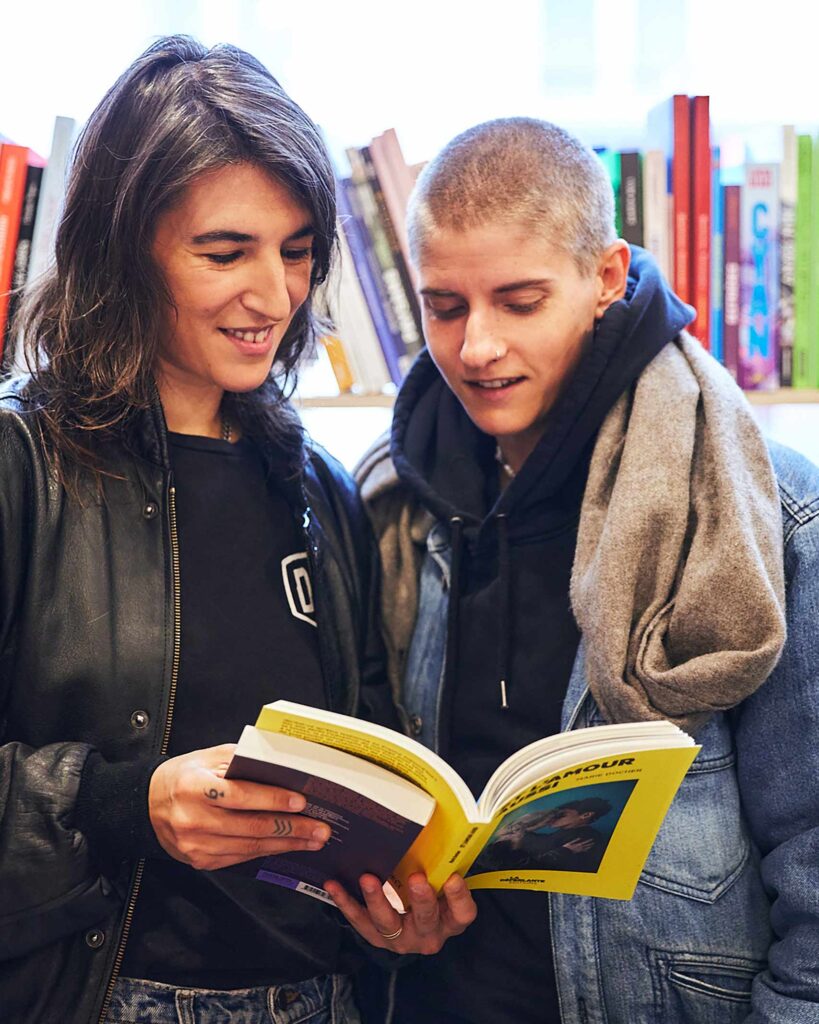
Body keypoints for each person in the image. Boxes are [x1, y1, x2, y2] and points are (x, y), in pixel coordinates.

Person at [0, 36, 473, 1024]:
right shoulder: (22, 468)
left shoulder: (320, 487)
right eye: (226, 252)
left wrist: (394, 902)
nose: (275, 295)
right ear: (125, 252)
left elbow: (369, 756)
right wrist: (127, 804)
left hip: (320, 998)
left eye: (297, 250)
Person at [349, 116, 819, 1022]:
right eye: (444, 307)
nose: (476, 347)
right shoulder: (395, 501)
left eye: (518, 303)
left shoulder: (765, 508)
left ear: (605, 277)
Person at [472, 798, 612, 874]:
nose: (553, 818)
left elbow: (541, 865)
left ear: (586, 815)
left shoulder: (587, 836)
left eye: (561, 815)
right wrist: (539, 820)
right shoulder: (557, 834)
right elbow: (503, 833)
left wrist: (564, 852)